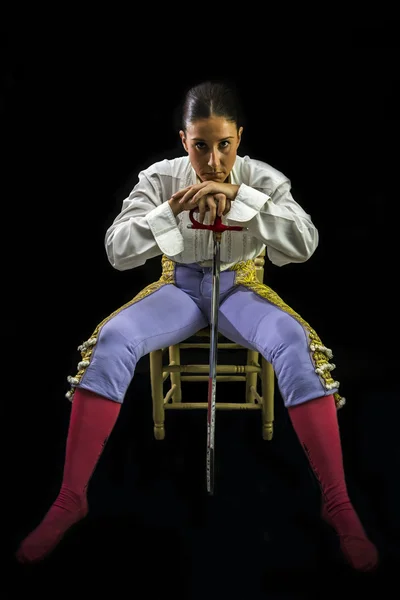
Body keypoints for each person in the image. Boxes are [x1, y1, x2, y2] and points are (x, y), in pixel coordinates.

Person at [15, 80, 378, 572]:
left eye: (224, 145)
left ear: (239, 137)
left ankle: (338, 503)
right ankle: (69, 498)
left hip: (242, 290)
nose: (213, 160)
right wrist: (172, 210)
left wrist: (241, 198)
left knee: (296, 344)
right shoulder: (160, 177)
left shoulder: (261, 177)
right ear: (185, 140)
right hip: (178, 290)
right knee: (113, 339)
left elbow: (304, 244)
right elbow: (117, 251)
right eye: (201, 146)